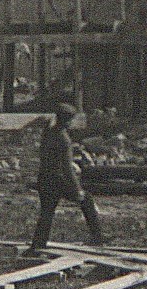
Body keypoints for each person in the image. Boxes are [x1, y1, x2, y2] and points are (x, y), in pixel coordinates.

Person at [24, 104, 103, 254]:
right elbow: (67, 168)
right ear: (68, 120)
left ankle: (38, 245)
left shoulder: (49, 133)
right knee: (86, 200)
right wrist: (77, 189)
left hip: (44, 178)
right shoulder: (64, 139)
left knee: (47, 213)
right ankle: (97, 237)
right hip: (58, 180)